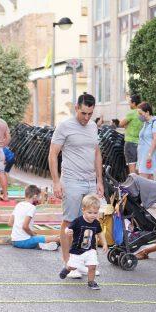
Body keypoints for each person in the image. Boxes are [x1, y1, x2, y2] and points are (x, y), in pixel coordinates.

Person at [49, 93, 104, 277]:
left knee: (89, 221)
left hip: (90, 181)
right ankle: (69, 263)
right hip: (71, 180)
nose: (86, 117)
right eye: (83, 113)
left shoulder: (93, 126)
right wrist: (56, 181)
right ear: (76, 108)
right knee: (70, 221)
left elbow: (96, 154)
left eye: (90, 113)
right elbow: (52, 154)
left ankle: (84, 262)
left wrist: (99, 181)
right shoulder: (64, 126)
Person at [59, 194, 108, 290]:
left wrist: (105, 243)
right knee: (73, 266)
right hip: (77, 250)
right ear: (83, 210)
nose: (93, 215)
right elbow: (67, 228)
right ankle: (67, 269)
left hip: (90, 250)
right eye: (90, 212)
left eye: (95, 213)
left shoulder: (96, 223)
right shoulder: (78, 221)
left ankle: (91, 282)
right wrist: (67, 231)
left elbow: (100, 233)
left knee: (93, 266)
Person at [9, 185, 61, 250]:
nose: (39, 198)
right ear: (35, 196)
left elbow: (10, 223)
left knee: (39, 238)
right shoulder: (32, 207)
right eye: (39, 196)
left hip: (14, 241)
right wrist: (32, 234)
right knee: (56, 238)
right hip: (24, 241)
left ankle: (41, 245)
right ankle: (44, 245)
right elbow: (25, 226)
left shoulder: (18, 205)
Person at [136, 102, 156, 180]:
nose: (139, 116)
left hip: (148, 155)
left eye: (140, 113)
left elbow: (155, 139)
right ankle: (154, 192)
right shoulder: (146, 124)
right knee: (149, 178)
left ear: (147, 112)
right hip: (143, 155)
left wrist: (149, 154)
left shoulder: (155, 124)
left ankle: (147, 192)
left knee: (143, 179)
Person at [119, 94, 143, 174]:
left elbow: (121, 124)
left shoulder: (132, 113)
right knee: (138, 168)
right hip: (139, 143)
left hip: (130, 143)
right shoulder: (142, 113)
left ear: (134, 103)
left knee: (132, 170)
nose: (129, 104)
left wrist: (126, 125)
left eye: (130, 102)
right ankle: (139, 185)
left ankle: (134, 186)